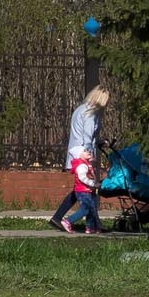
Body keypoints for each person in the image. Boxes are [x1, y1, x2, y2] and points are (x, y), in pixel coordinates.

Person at [53, 85, 111, 233]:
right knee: (87, 189)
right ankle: (81, 222)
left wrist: (97, 142)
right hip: (83, 156)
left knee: (81, 189)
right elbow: (87, 137)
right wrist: (90, 157)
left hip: (76, 152)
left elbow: (84, 134)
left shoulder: (81, 109)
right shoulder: (91, 113)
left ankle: (92, 224)